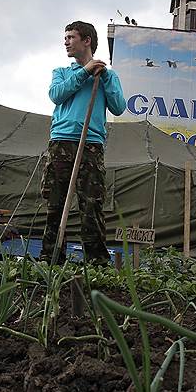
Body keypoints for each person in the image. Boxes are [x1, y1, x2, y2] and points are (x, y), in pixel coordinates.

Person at [40, 21, 126, 265]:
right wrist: (85, 71)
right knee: (55, 202)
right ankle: (51, 257)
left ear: (86, 40)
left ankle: (96, 261)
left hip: (90, 144)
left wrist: (104, 76)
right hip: (61, 142)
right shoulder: (62, 72)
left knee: (91, 203)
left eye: (71, 37)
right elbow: (56, 95)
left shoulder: (108, 76)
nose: (65, 41)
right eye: (65, 37)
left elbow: (119, 107)